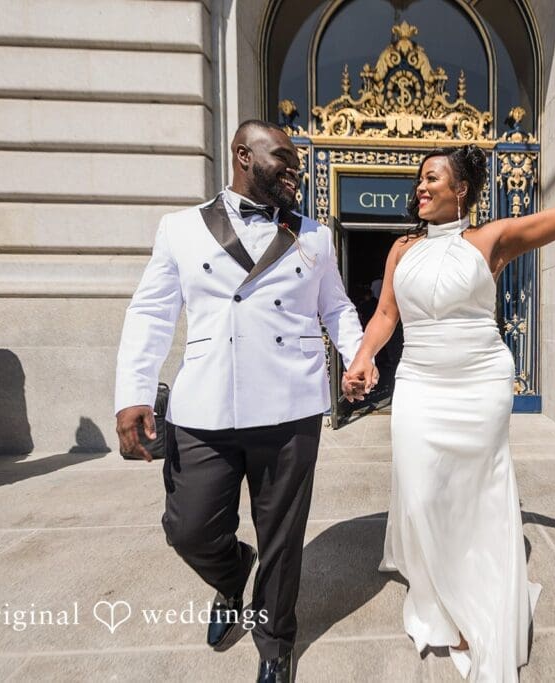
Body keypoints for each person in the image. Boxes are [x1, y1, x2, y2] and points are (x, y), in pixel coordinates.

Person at [343, 113, 555, 680]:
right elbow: (386, 314)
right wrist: (362, 357)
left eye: (434, 178)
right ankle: (438, 586)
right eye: (420, 179)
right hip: (418, 383)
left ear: (462, 190)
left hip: (478, 382)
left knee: (473, 491)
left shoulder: (492, 239)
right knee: (421, 489)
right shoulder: (402, 250)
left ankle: (467, 602)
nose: (422, 187)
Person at [114, 120, 367, 683]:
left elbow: (337, 308)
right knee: (189, 527)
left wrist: (357, 355)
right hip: (205, 405)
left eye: (298, 161)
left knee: (283, 533)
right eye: (283, 156)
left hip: (291, 405)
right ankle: (232, 576)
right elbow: (152, 313)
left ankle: (276, 640)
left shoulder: (315, 236)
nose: (295, 168)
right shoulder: (180, 228)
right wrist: (133, 392)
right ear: (242, 156)